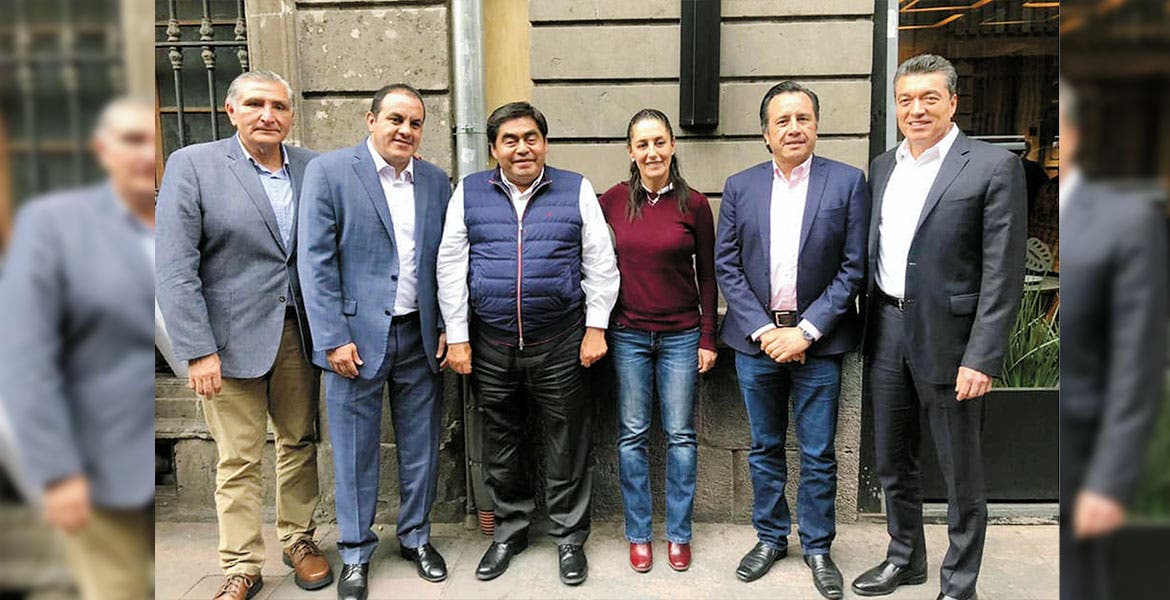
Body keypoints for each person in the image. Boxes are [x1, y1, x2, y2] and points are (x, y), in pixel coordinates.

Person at [851, 54, 1026, 600]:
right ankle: (905, 558)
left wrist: (982, 356)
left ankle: (959, 583)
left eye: (929, 98)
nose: (917, 109)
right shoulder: (883, 166)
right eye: (906, 99)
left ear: (952, 102)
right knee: (892, 460)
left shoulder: (993, 167)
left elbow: (1003, 272)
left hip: (953, 342)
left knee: (960, 472)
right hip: (886, 328)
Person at [156, 70, 331, 600]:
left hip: (298, 333)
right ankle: (241, 564)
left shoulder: (313, 168)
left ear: (291, 115)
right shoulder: (194, 165)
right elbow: (175, 268)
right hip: (226, 343)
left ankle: (298, 538)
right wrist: (197, 351)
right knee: (238, 457)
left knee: (299, 442)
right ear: (232, 111)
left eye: (278, 106)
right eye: (255, 104)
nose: (267, 115)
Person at [437, 101, 619, 586]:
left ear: (545, 143)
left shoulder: (575, 188)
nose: (522, 148)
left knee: (567, 441)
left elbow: (600, 262)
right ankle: (510, 531)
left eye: (531, 138)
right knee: (501, 441)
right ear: (494, 149)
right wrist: (458, 337)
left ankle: (569, 538)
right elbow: (451, 265)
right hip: (491, 343)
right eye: (510, 140)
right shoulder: (470, 192)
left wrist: (596, 327)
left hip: (560, 341)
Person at [715, 81, 868, 599]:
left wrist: (804, 331)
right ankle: (771, 538)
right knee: (765, 447)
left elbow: (853, 268)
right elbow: (727, 266)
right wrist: (765, 331)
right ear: (766, 134)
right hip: (757, 341)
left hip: (819, 343)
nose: (794, 128)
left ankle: (819, 547)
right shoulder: (740, 186)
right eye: (782, 120)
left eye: (803, 118)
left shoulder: (846, 182)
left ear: (817, 126)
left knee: (819, 453)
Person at [298, 83, 451, 600]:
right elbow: (315, 261)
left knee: (421, 447)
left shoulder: (435, 180)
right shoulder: (330, 172)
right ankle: (355, 553)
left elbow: (444, 259)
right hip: (354, 341)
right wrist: (332, 338)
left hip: (419, 334)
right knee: (354, 451)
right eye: (395, 119)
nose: (405, 130)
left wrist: (445, 323)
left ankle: (416, 538)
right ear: (371, 120)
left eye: (415, 123)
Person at [0, 97, 156, 599]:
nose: (147, 153)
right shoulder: (52, 224)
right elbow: (24, 358)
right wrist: (57, 473)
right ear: (102, 150)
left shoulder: (174, 217)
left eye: (154, 140)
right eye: (132, 140)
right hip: (98, 470)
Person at [1058, 80, 1167, 600]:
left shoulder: (1129, 221)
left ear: (1076, 134)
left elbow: (1138, 360)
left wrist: (1110, 479)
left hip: (1087, 451)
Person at [597, 109, 717, 574]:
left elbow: (708, 277)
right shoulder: (611, 201)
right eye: (642, 144)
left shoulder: (695, 205)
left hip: (682, 336)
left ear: (672, 146)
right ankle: (639, 534)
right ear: (630, 151)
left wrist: (708, 337)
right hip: (628, 333)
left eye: (659, 142)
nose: (652, 152)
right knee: (632, 436)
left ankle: (679, 535)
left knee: (681, 436)